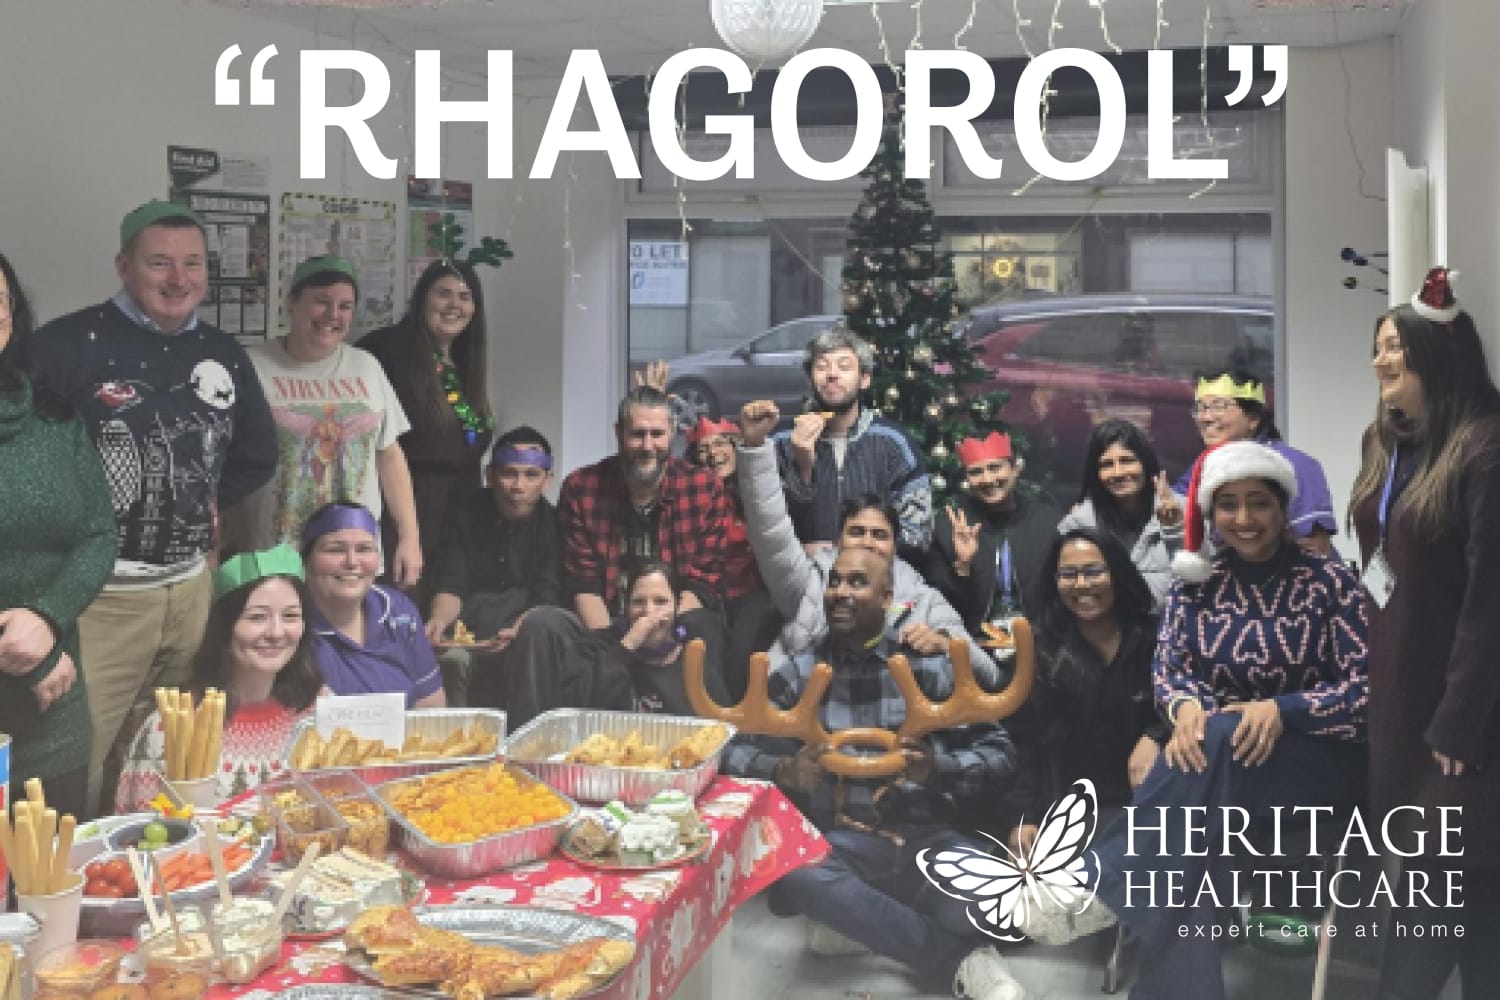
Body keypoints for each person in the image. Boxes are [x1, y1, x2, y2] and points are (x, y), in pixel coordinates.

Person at [1019, 441, 1368, 1000]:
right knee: (1191, 844)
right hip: (1213, 770)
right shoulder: (1196, 584)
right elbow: (1170, 672)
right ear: (1211, 513)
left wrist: (1283, 709)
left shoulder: (1329, 583)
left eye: (1259, 503)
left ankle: (1099, 881)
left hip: (1312, 770)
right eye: (1228, 505)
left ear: (1283, 510)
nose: (1244, 518)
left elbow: (1366, 691)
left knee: (1218, 740)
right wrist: (1183, 711)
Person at [30, 200, 278, 814]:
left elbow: (257, 452)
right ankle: (65, 898)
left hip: (189, 594)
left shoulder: (225, 354)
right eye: (159, 263)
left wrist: (202, 502)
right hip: (101, 599)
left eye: (193, 264)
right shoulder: (64, 348)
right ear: (123, 265)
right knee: (75, 765)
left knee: (165, 756)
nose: (178, 279)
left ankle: (145, 885)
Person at [721, 546, 1025, 1000]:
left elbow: (1001, 753)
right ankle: (960, 962)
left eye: (857, 583)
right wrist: (782, 770)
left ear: (887, 598)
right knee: (800, 875)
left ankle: (864, 923)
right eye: (835, 582)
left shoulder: (927, 664)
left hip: (930, 840)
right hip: (845, 845)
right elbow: (729, 751)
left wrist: (936, 769)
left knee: (1004, 907)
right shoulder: (802, 669)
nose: (841, 593)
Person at [1348, 268, 1500, 998]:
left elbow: (1490, 602)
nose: (1379, 361)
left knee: (1442, 916)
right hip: (1405, 704)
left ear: (1434, 356)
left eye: (1394, 349)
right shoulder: (1393, 447)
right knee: (1453, 911)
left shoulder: (1484, 450)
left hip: (1463, 735)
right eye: (1377, 348)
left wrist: (1460, 726)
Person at [739, 399, 998, 687]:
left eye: (879, 535)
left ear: (895, 545)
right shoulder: (808, 582)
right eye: (856, 532)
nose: (867, 542)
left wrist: (947, 644)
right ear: (839, 541)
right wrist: (754, 446)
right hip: (803, 717)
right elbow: (769, 529)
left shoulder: (921, 599)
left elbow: (989, 675)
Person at [0, 252, 116, 821]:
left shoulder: (51, 415)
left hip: (53, 703)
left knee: (53, 889)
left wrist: (47, 618)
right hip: (35, 668)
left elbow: (98, 532)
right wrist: (19, 642)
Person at [239, 255, 422, 586]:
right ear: (292, 302)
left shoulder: (367, 366)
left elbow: (389, 455)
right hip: (273, 554)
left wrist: (409, 539)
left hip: (352, 558)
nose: (333, 315)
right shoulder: (251, 366)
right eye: (321, 302)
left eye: (345, 306)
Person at [115, 544, 324, 810]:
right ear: (225, 628)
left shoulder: (321, 709)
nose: (276, 632)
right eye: (257, 617)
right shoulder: (171, 727)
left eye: (291, 616)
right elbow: (136, 835)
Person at [1001, 527, 1164, 855]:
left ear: (1116, 573)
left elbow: (1186, 705)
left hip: (1151, 805)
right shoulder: (1036, 650)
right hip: (1067, 812)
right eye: (1068, 574)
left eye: (1093, 571)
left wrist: (1157, 735)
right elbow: (1021, 741)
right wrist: (1023, 816)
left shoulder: (1155, 639)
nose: (1081, 584)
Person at [359, 259, 494, 596]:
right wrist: (407, 534)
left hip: (458, 517)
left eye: (465, 297)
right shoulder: (384, 351)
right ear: (422, 299)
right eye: (443, 293)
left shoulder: (464, 360)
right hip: (406, 516)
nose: (454, 305)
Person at [557, 384, 732, 627]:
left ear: (672, 432)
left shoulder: (705, 488)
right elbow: (583, 583)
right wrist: (615, 650)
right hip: (604, 621)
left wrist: (661, 638)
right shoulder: (580, 488)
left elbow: (703, 582)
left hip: (678, 621)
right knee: (551, 623)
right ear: (619, 433)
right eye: (638, 434)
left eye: (657, 434)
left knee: (704, 625)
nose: (648, 446)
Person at [426, 426, 564, 707]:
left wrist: (520, 631)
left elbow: (546, 597)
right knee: (451, 660)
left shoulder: (556, 525)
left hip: (523, 634)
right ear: (490, 476)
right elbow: (451, 584)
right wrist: (439, 620)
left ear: (547, 480)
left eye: (530, 475)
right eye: (509, 473)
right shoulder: (464, 516)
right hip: (470, 632)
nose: (518, 486)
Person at [772, 326, 931, 556]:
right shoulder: (781, 442)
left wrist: (840, 552)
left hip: (877, 581)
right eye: (822, 366)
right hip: (803, 582)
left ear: (864, 379)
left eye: (844, 366)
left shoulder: (894, 442)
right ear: (810, 380)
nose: (832, 374)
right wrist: (803, 467)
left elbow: (919, 533)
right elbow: (769, 529)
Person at [503, 560, 730, 720]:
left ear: (677, 606)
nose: (648, 612)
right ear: (625, 607)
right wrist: (627, 647)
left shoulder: (695, 661)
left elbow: (724, 727)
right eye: (639, 602)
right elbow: (578, 710)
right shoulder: (595, 648)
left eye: (660, 602)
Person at [1174, 369, 1338, 555]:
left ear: (1253, 419)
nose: (1205, 417)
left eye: (1219, 406)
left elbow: (1315, 548)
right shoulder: (1203, 466)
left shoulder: (1294, 464)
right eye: (1201, 408)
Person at [301, 503, 445, 708]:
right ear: (306, 560)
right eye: (335, 550)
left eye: (364, 549)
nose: (352, 562)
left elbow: (431, 706)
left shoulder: (399, 612)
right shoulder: (290, 624)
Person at [926, 431, 1064, 637]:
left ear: (1015, 469)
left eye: (995, 468)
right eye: (976, 472)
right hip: (974, 644)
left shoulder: (1049, 521)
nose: (988, 479)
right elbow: (939, 606)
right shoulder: (949, 526)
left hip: (1042, 641)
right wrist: (962, 566)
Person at [686, 414, 780, 700]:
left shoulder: (756, 494)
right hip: (709, 593)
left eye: (722, 443)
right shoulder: (692, 500)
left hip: (753, 592)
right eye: (704, 448)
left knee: (744, 644)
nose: (713, 453)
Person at [1058, 419, 1184, 609]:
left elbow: (1200, 582)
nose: (1118, 473)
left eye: (1127, 460)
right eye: (1106, 464)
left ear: (1145, 463)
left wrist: (1174, 530)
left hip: (1174, 631)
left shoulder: (1184, 509)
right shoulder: (1079, 524)